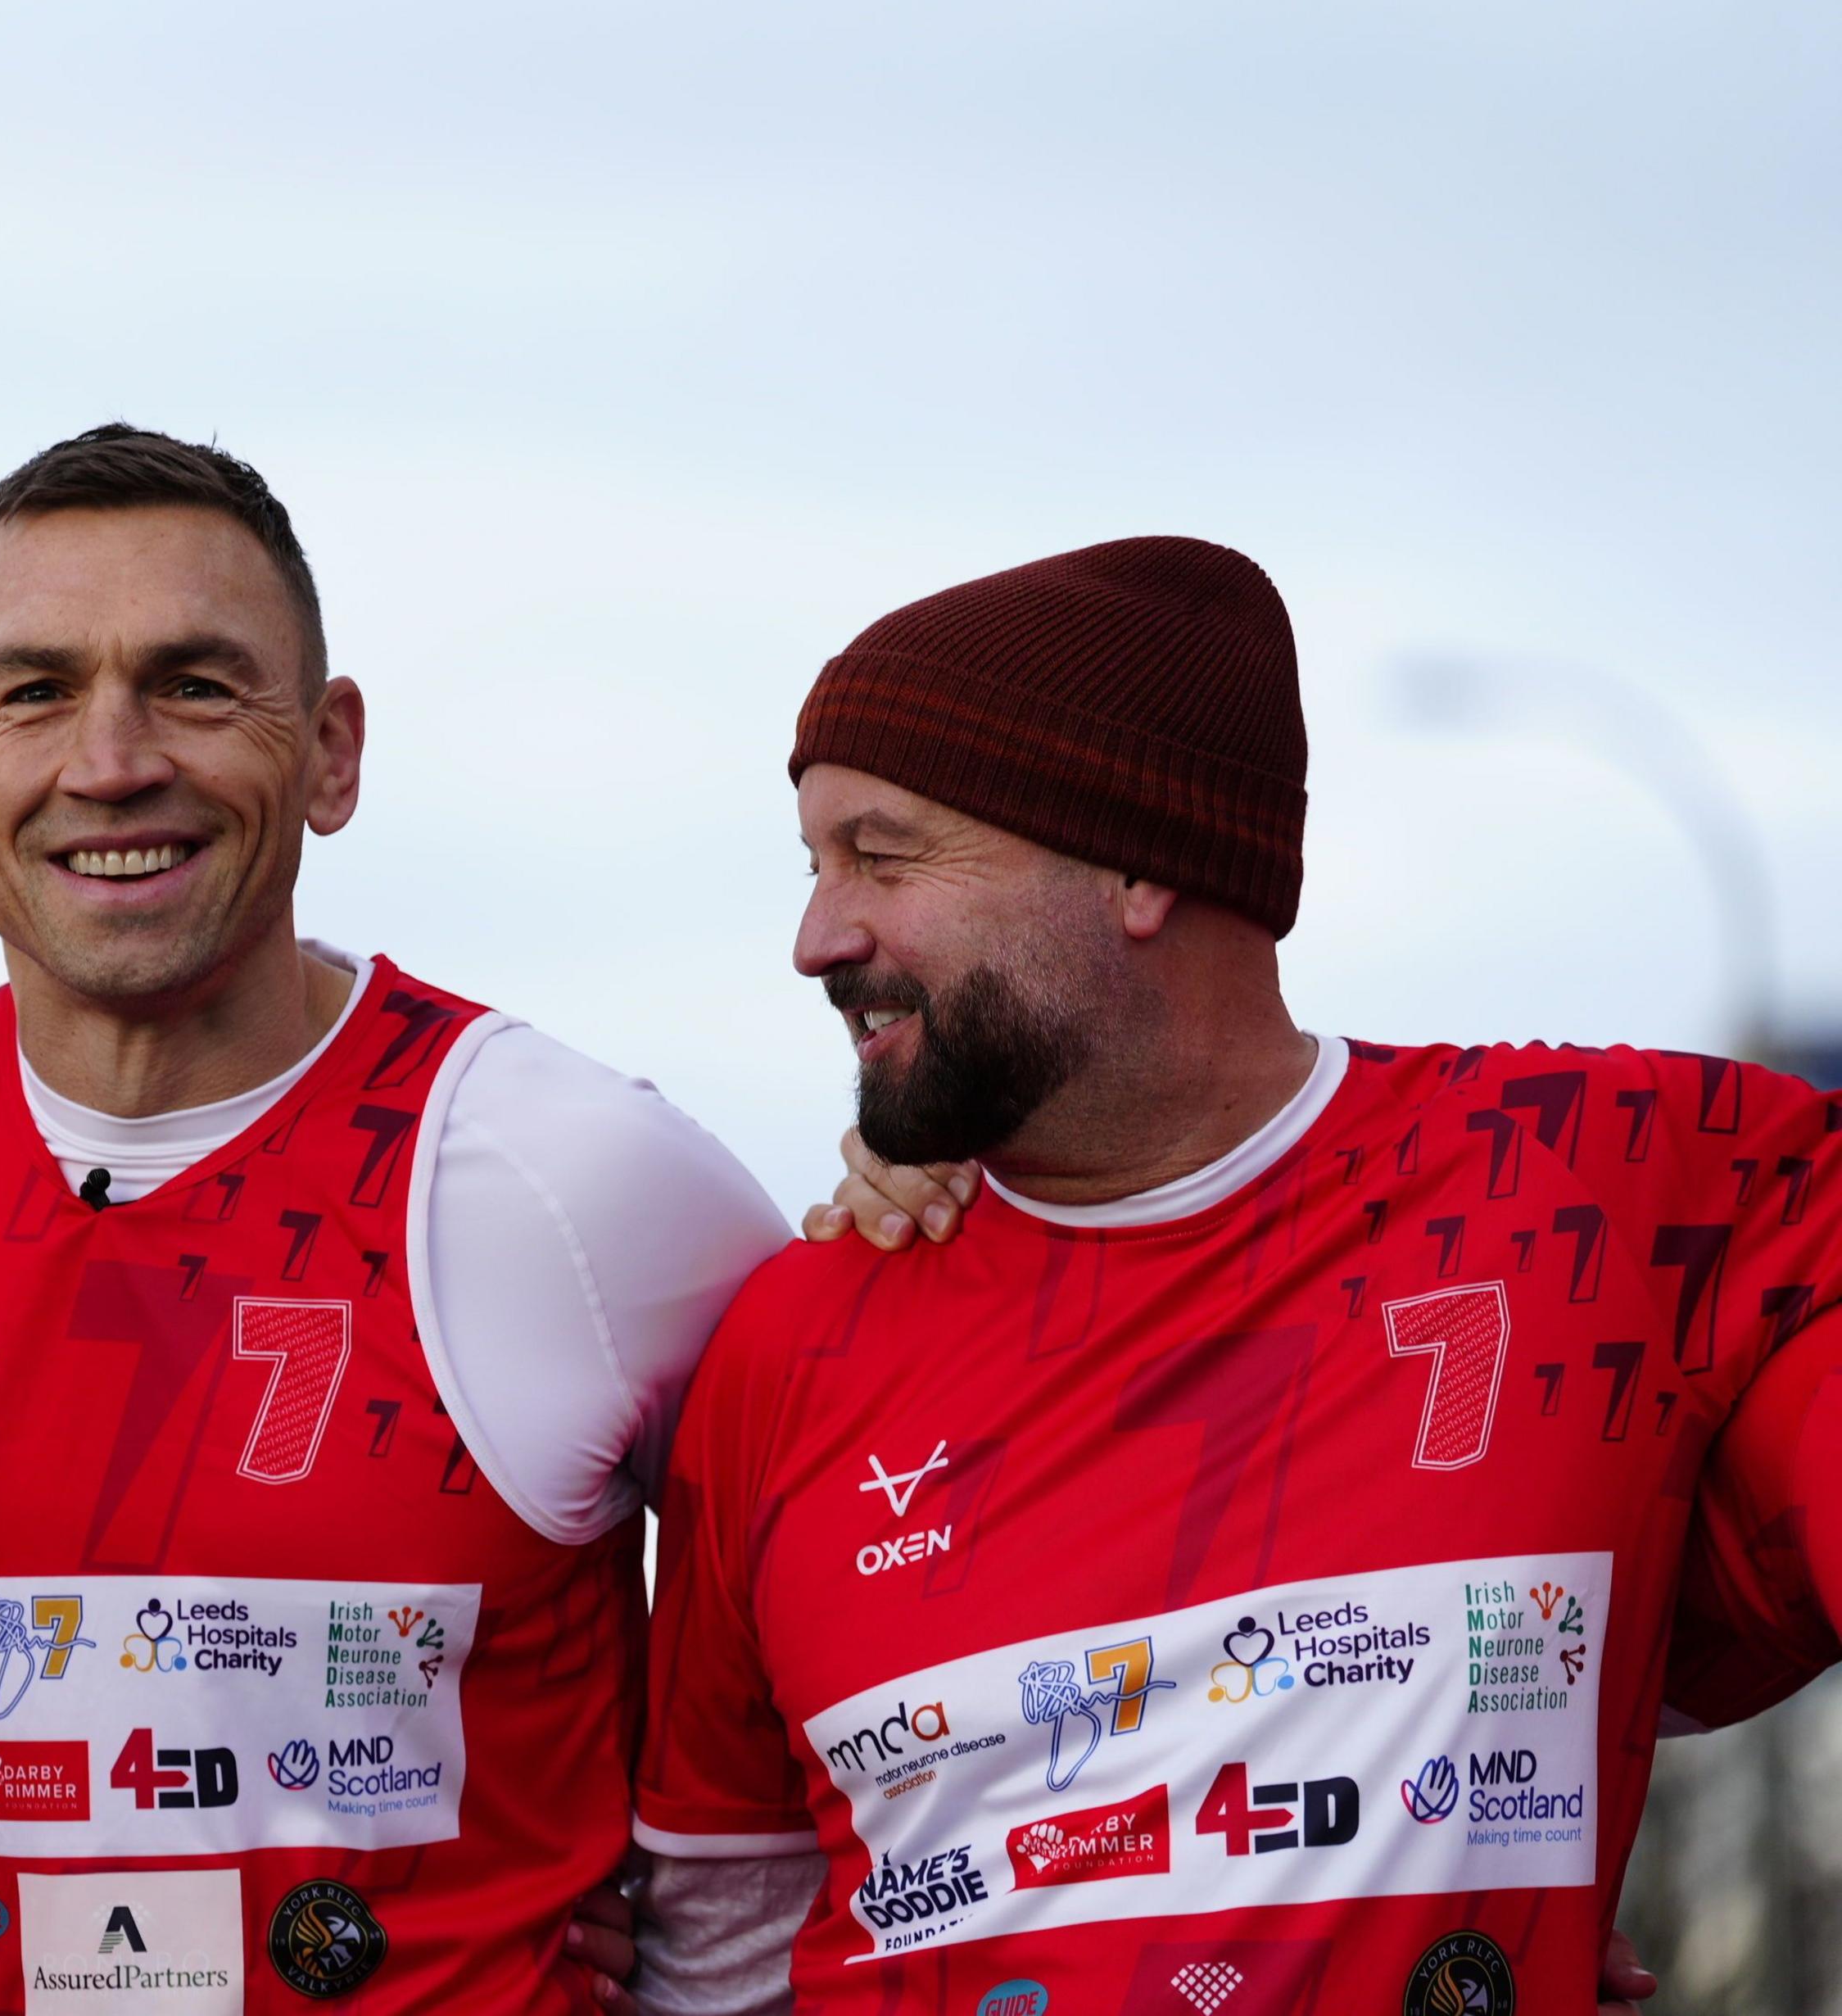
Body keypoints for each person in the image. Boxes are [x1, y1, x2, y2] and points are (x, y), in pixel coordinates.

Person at [631, 537, 1837, 2012]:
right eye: (813, 866)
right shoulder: (788, 1345)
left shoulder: (1597, 1181)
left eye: (881, 857)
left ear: (1143, 861)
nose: (820, 937)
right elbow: (712, 1956)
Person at [0, 425, 787, 2010]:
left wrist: (702, 1968)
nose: (112, 759)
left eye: (196, 683)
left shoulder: (588, 1180)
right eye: (35, 689)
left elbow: (876, 1621)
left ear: (333, 750)